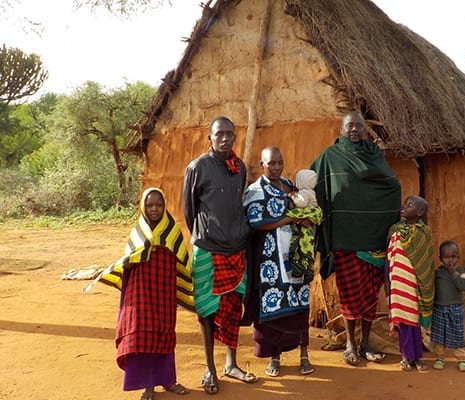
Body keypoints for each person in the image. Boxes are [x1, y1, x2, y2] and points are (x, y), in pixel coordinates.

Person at [310, 111, 402, 366]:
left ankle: (366, 343)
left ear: (365, 129)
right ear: (341, 129)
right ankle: (350, 343)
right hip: (345, 238)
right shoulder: (330, 157)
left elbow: (392, 185)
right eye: (349, 126)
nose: (354, 130)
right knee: (350, 295)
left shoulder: (375, 155)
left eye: (359, 126)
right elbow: (311, 182)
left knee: (370, 296)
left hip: (374, 241)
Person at [182, 116, 257, 395]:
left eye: (230, 134)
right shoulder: (197, 167)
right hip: (208, 249)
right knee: (206, 310)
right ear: (209, 138)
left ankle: (231, 363)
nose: (225, 138)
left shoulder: (239, 169)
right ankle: (210, 368)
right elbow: (189, 211)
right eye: (219, 134)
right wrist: (208, 234)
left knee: (232, 308)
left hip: (236, 249)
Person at [243, 147, 321, 377]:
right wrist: (289, 218)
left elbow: (307, 207)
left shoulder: (289, 185)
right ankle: (275, 358)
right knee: (272, 310)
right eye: (271, 163)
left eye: (280, 163)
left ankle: (304, 355)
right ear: (262, 163)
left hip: (296, 258)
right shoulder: (255, 191)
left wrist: (305, 220)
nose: (276, 167)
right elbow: (255, 223)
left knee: (299, 307)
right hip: (270, 264)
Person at [107, 187, 191, 400]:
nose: (155, 209)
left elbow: (182, 261)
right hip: (141, 292)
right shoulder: (137, 232)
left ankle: (168, 380)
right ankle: (148, 385)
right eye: (150, 205)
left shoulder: (173, 232)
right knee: (143, 335)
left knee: (164, 334)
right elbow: (129, 261)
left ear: (164, 207)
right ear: (143, 207)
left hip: (164, 291)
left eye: (159, 205)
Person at [386, 195, 436, 372]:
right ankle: (406, 356)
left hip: (414, 283)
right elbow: (389, 258)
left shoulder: (424, 232)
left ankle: (418, 357)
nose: (404, 207)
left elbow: (426, 263)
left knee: (414, 320)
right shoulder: (395, 230)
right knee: (403, 321)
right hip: (398, 282)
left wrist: (424, 283)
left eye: (410, 205)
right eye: (405, 204)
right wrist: (388, 285)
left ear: (420, 212)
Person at [431, 240, 465, 372]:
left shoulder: (460, 272)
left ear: (458, 258)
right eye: (446, 257)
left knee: (457, 333)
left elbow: (464, 286)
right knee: (439, 335)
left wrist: (454, 273)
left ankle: (462, 359)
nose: (450, 261)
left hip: (456, 309)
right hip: (439, 308)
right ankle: (439, 358)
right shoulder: (438, 273)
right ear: (440, 259)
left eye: (453, 257)